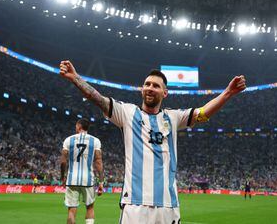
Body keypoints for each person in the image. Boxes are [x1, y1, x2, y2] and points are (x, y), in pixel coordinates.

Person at [59, 60, 246, 224]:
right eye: (147, 84)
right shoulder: (127, 113)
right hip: (134, 204)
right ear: (142, 89)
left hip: (168, 204)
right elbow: (97, 98)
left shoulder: (173, 118)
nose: (150, 87)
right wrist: (75, 77)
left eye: (156, 85)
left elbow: (203, 113)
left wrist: (228, 93)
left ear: (165, 93)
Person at [61, 118, 104, 224]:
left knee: (71, 210)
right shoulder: (95, 141)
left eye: (76, 125)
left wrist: (63, 177)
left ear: (79, 126)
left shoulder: (68, 140)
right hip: (88, 180)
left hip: (72, 179)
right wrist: (101, 182)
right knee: (90, 207)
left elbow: (63, 162)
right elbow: (98, 162)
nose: (75, 127)